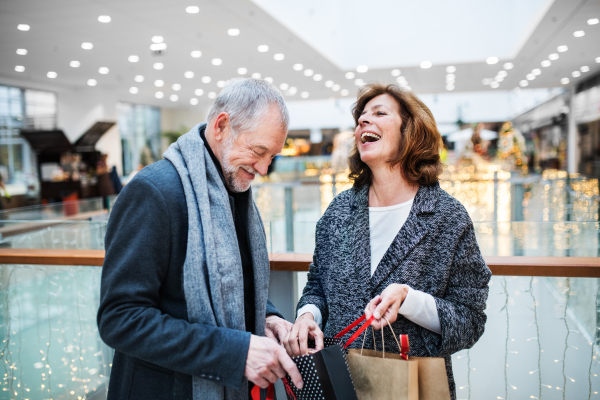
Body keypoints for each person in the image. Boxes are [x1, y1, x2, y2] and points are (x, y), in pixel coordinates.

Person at [97, 79, 303, 400]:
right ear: (221, 126)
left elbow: (235, 280)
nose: (263, 168)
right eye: (258, 151)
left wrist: (265, 316)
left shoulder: (233, 187)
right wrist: (234, 353)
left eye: (272, 157)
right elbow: (120, 318)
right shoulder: (153, 191)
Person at [284, 83, 491, 400]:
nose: (363, 122)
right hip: (339, 383)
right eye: (361, 117)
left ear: (411, 131)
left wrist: (409, 300)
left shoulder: (447, 217)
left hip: (412, 387)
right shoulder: (339, 211)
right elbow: (317, 287)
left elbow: (470, 321)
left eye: (379, 113)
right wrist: (307, 315)